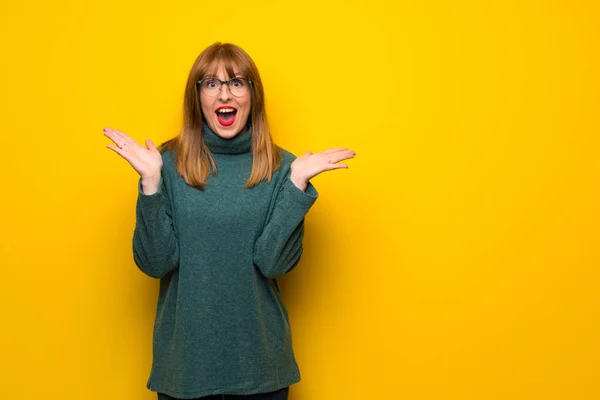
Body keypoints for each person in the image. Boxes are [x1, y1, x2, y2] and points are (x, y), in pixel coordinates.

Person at [103, 42, 356, 400]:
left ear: (253, 95)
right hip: (185, 368)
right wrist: (150, 185)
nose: (225, 93)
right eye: (211, 83)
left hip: (261, 367)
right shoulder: (163, 165)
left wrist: (296, 187)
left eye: (237, 82)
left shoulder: (284, 168)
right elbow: (155, 263)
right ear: (197, 97)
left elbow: (274, 264)